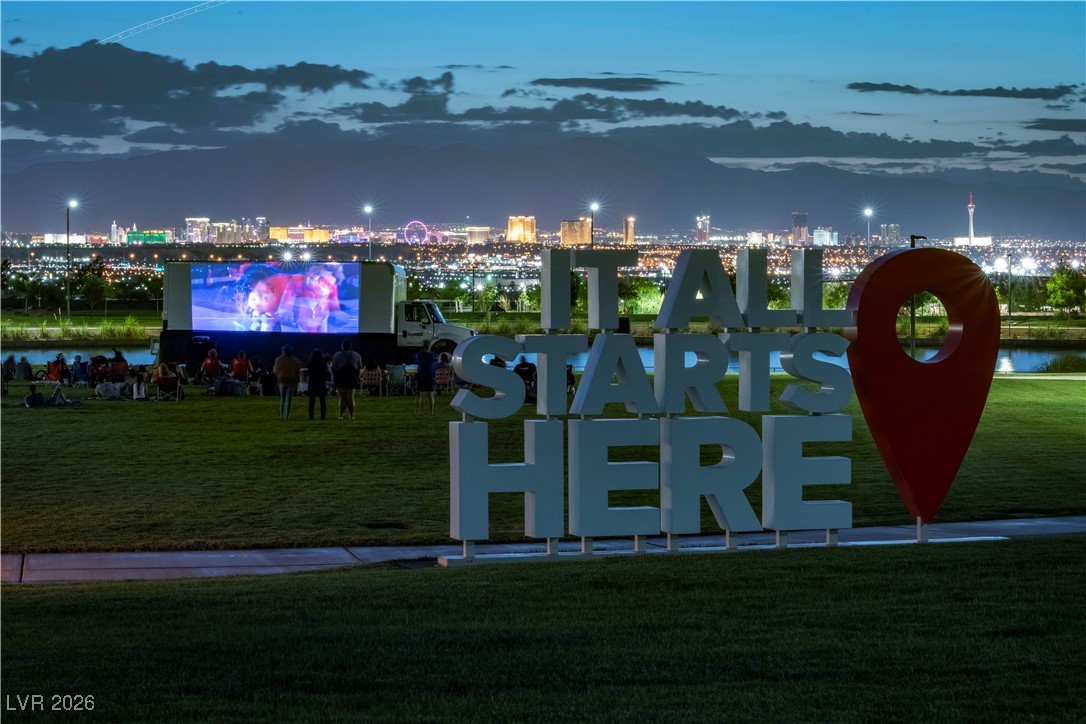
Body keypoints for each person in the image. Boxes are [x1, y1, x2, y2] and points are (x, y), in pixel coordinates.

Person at [331, 339, 363, 420]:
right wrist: (358, 377)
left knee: (342, 398)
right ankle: (351, 415)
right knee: (350, 397)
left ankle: (341, 415)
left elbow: (334, 368)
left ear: (342, 345)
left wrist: (334, 378)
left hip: (341, 377)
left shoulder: (337, 355)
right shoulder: (357, 355)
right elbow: (359, 367)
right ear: (350, 346)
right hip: (352, 377)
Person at [273, 344, 303, 419]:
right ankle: (287, 416)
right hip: (292, 381)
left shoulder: (278, 360)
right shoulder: (295, 360)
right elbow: (299, 368)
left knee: (282, 399)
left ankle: (282, 416)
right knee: (289, 400)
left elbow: (276, 371)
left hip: (282, 380)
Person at [414, 339, 437, 415]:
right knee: (430, 394)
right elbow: (434, 365)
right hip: (430, 375)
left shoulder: (419, 354)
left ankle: (420, 412)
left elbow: (418, 363)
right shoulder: (433, 355)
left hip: (421, 374)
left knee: (420, 394)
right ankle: (431, 412)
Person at [306, 348, 330, 420]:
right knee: (322, 400)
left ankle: (311, 416)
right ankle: (323, 416)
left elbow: (309, 373)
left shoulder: (310, 362)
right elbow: (326, 372)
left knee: (312, 401)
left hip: (312, 383)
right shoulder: (323, 362)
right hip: (321, 383)